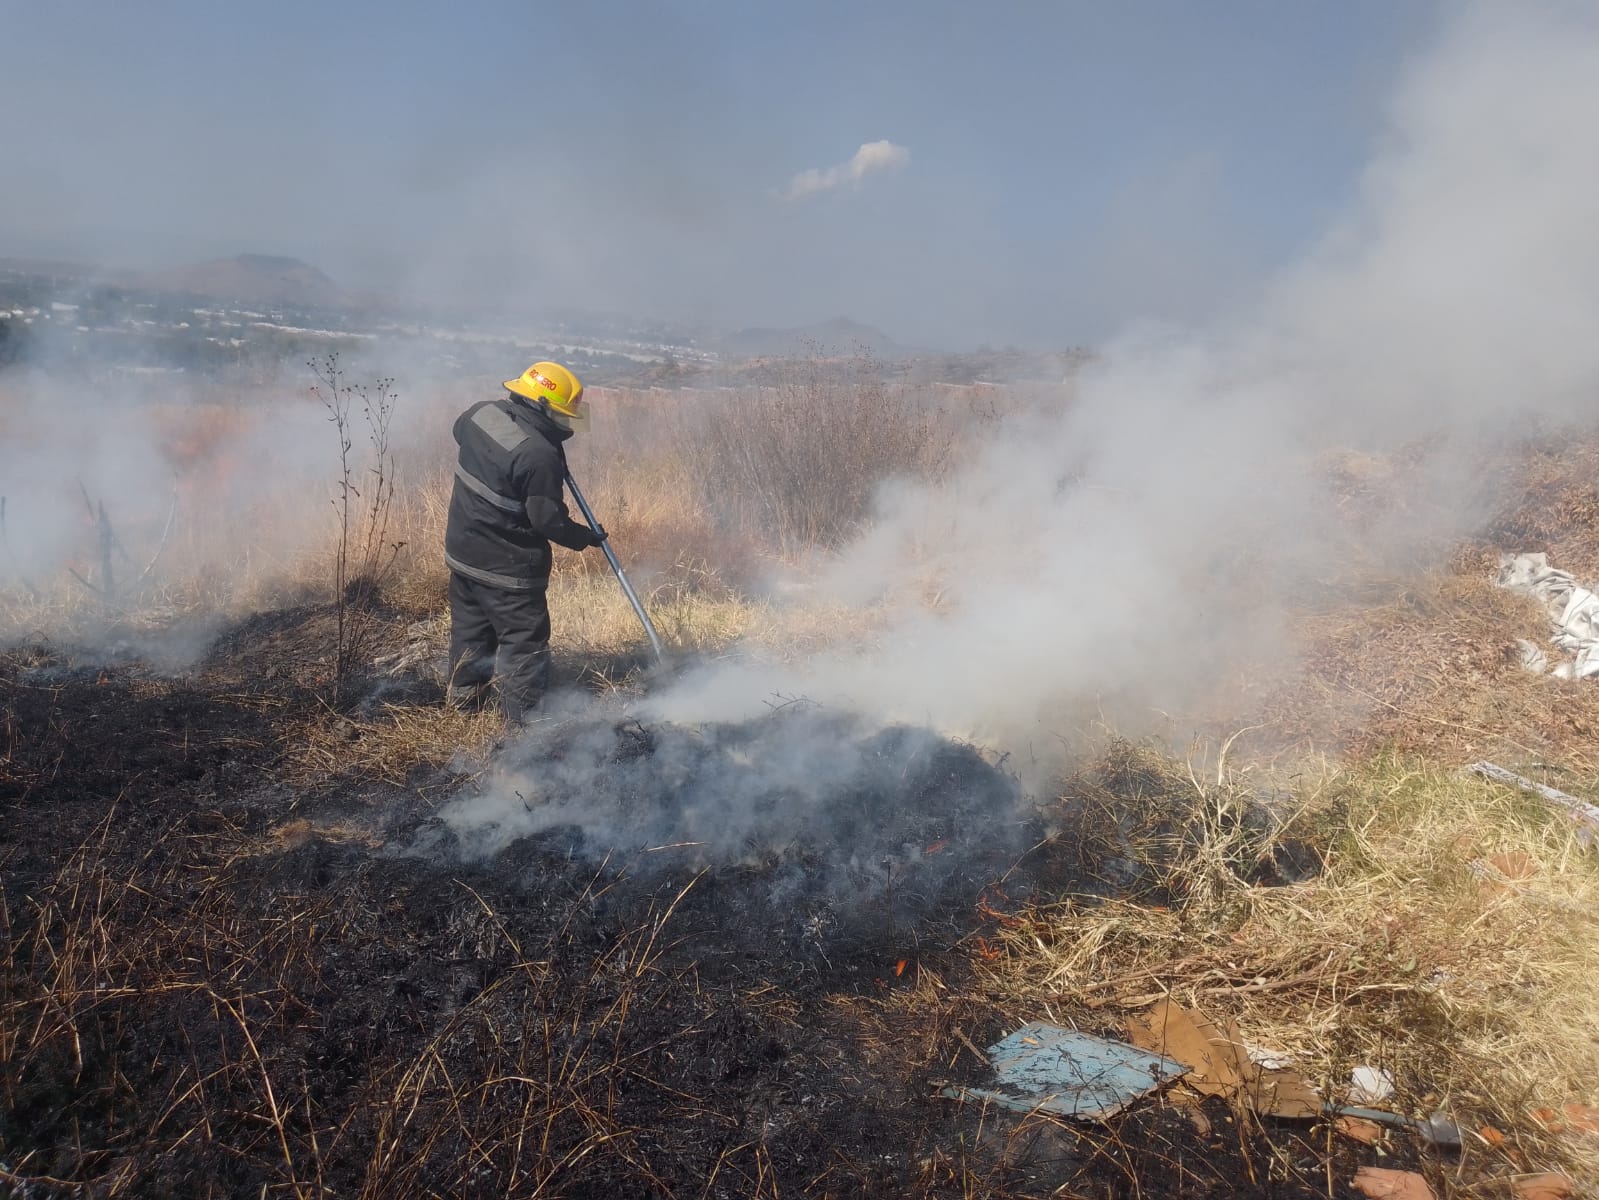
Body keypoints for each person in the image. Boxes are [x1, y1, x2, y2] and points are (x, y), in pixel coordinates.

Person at [443, 361, 605, 721]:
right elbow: (548, 521)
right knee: (523, 645)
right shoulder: (538, 455)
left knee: (469, 632)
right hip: (508, 569)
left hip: (463, 554)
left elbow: (460, 434)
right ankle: (525, 725)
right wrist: (585, 537)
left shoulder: (479, 414)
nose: (565, 424)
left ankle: (464, 707)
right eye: (561, 415)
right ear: (542, 406)